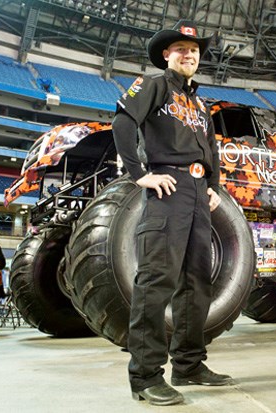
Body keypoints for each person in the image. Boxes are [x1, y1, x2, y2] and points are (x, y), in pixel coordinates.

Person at [112, 20, 231, 406]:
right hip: (169, 189)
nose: (189, 54)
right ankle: (145, 376)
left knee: (198, 282)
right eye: (182, 48)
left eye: (194, 50)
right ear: (167, 54)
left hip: (199, 194)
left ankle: (189, 364)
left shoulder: (200, 103)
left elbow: (210, 152)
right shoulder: (152, 85)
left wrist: (213, 188)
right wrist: (140, 174)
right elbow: (122, 122)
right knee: (156, 280)